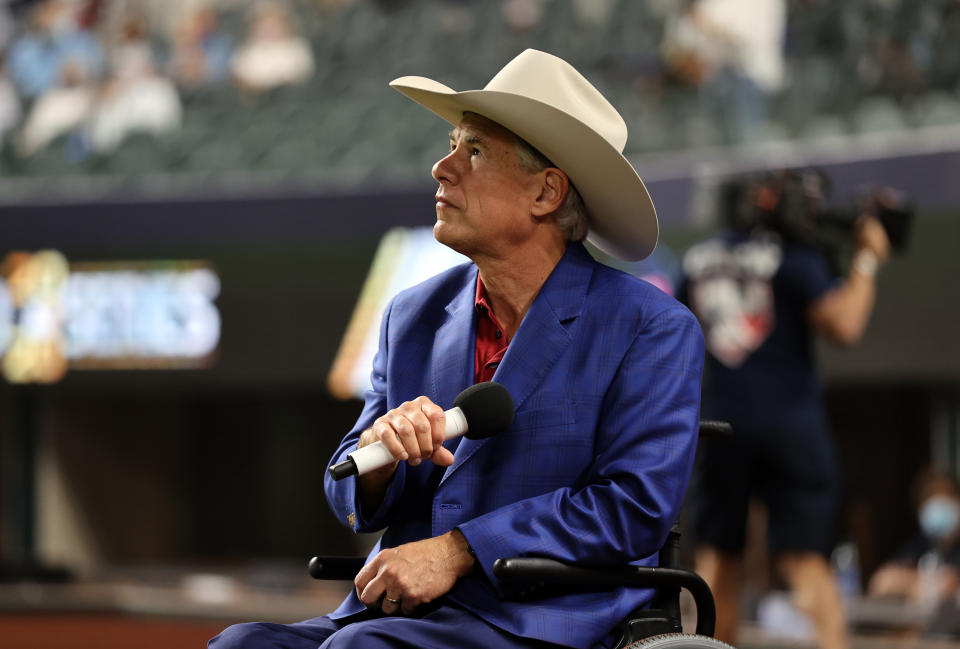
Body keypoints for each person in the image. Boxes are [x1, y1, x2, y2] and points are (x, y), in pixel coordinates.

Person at [209, 49, 705, 649]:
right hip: (403, 617)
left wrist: (459, 550)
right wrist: (379, 455)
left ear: (547, 193)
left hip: (548, 620)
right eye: (451, 144)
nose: (442, 168)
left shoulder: (650, 325)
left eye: (473, 152)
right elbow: (346, 483)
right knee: (241, 644)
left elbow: (633, 507)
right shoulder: (411, 314)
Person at [678, 169, 892, 649]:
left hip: (719, 426)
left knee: (719, 559)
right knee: (804, 558)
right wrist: (867, 260)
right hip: (791, 427)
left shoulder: (699, 258)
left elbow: (674, 338)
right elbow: (846, 325)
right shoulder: (793, 256)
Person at [868, 469, 960, 607]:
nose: (939, 504)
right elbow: (881, 582)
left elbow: (949, 584)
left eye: (945, 496)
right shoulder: (920, 544)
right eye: (931, 498)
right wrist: (916, 583)